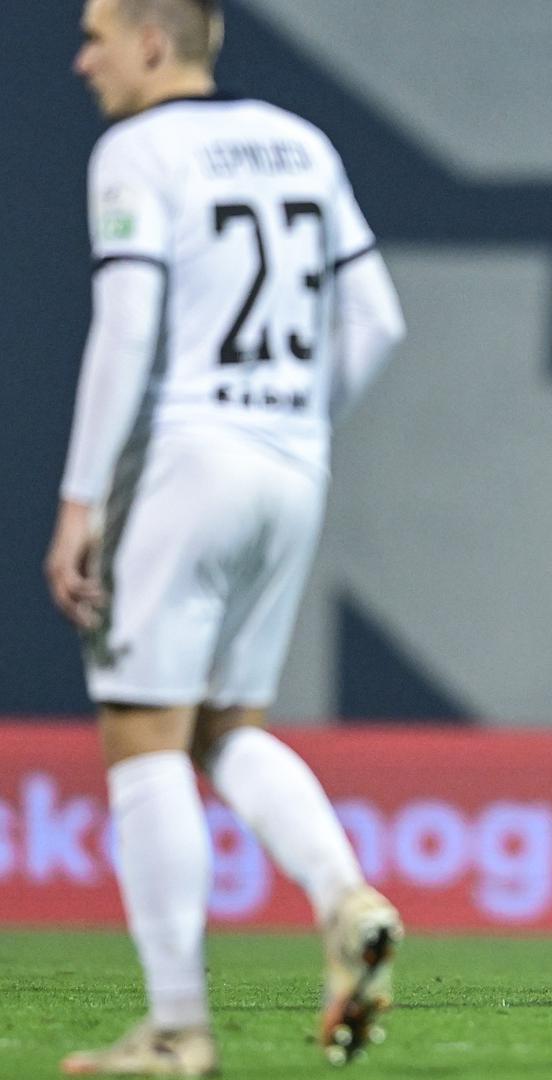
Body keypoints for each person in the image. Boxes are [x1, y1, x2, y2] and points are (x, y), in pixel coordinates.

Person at [47, 0, 407, 1072]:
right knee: (224, 726)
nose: (82, 60)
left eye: (97, 36)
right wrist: (293, 425)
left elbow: (126, 328)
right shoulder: (302, 143)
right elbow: (377, 320)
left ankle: (176, 1028)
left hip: (185, 457)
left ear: (152, 42)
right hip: (291, 463)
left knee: (141, 735)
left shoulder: (136, 150)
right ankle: (345, 898)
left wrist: (80, 500)